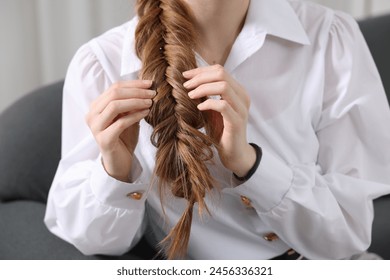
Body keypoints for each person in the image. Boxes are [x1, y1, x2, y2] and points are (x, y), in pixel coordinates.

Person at [44, 0, 390, 260]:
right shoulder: (103, 65)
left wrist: (251, 163)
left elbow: (347, 235)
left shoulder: (330, 38)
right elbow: (94, 241)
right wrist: (115, 170)